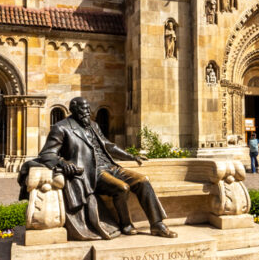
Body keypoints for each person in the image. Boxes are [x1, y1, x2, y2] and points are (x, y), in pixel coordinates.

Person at [21, 97, 176, 240]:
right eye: (83, 109)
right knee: (121, 188)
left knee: (143, 181)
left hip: (110, 166)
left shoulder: (93, 125)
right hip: (92, 172)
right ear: (73, 110)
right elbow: (47, 153)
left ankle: (157, 225)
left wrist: (131, 156)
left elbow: (108, 146)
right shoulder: (62, 128)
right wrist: (63, 163)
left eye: (88, 109)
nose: (87, 112)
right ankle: (125, 224)